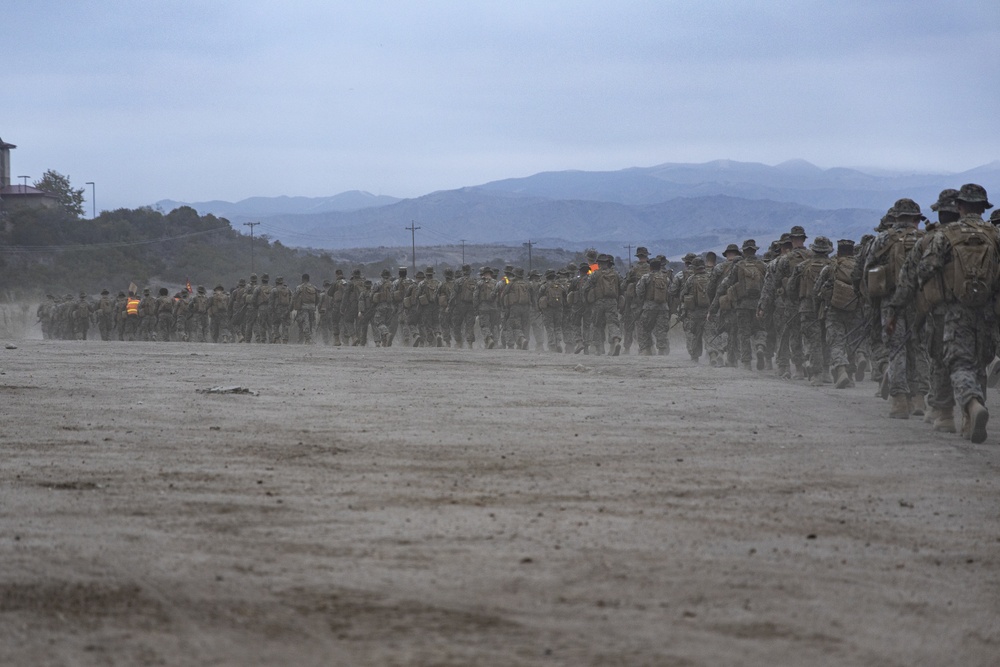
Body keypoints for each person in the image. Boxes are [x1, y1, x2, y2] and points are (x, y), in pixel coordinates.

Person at [887, 184, 998, 441]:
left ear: (959, 206)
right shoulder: (994, 234)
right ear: (983, 208)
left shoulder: (944, 235)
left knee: (957, 362)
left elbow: (918, 272)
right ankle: (969, 421)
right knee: (979, 363)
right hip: (988, 312)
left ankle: (970, 404)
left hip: (954, 311)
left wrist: (896, 308)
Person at [865, 199, 928, 418]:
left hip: (890, 303)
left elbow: (868, 271)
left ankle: (899, 401)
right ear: (916, 219)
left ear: (895, 218)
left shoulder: (882, 239)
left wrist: (873, 303)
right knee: (919, 348)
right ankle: (919, 398)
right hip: (921, 302)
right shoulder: (925, 239)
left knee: (897, 348)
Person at [584, 253, 623, 356]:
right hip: (612, 302)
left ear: (599, 263)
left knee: (597, 325)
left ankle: (599, 348)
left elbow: (585, 288)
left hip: (599, 302)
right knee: (613, 323)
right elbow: (621, 287)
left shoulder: (595, 274)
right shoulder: (616, 274)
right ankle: (615, 341)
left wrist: (588, 299)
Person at [634, 256, 670, 355]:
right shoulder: (666, 278)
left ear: (650, 267)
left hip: (649, 307)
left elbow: (639, 291)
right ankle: (662, 350)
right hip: (663, 307)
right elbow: (669, 292)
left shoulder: (646, 277)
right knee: (661, 329)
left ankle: (646, 349)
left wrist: (643, 301)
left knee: (643, 327)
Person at [292, 273, 320, 344]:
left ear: (302, 279)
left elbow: (294, 297)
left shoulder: (300, 287)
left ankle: (307, 339)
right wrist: (314, 305)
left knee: (304, 323)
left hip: (303, 308)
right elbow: (318, 298)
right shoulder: (314, 287)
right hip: (312, 307)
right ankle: (309, 339)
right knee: (311, 323)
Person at [269, 276, 293, 343]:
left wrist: (271, 311)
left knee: (276, 324)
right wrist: (289, 309)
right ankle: (285, 339)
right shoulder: (288, 290)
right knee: (285, 325)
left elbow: (271, 302)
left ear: (276, 282)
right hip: (286, 310)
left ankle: (277, 339)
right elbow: (291, 300)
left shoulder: (274, 290)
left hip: (277, 310)